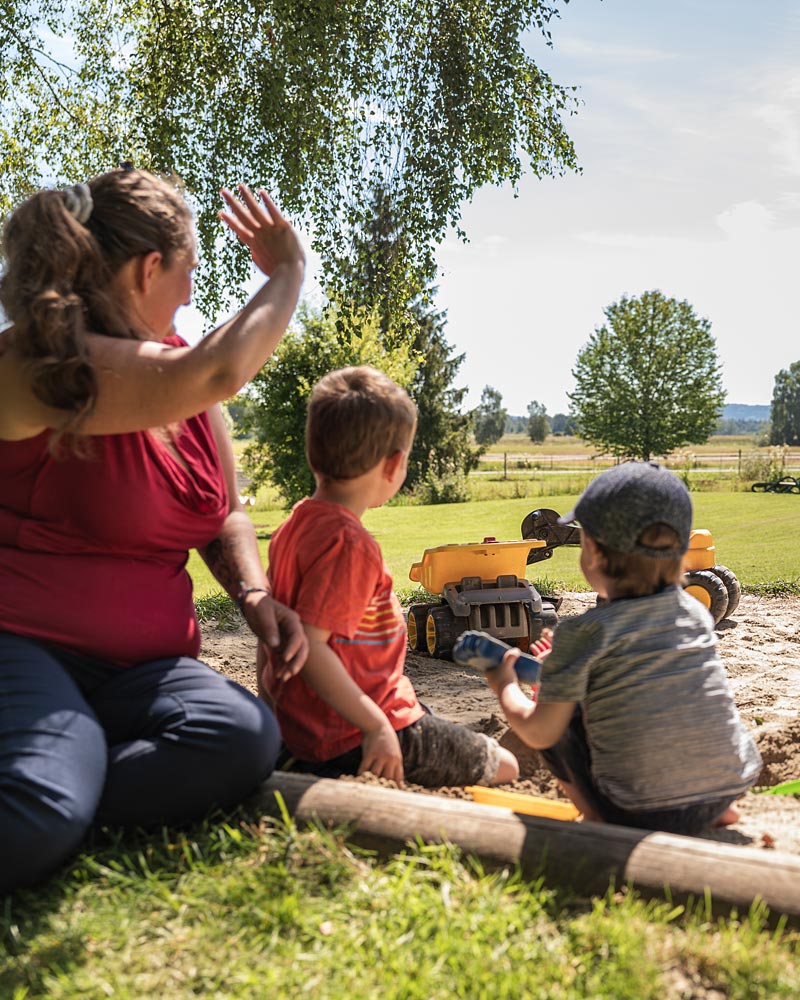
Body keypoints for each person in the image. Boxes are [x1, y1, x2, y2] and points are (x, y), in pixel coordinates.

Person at [0, 167, 310, 893]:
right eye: (189, 271)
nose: (193, 294)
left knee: (241, 737)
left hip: (139, 674)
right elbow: (222, 369)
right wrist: (289, 269)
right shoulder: (32, 366)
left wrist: (255, 594)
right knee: (42, 809)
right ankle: (49, 802)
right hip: (21, 648)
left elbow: (223, 509)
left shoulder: (177, 373)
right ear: (149, 270)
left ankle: (62, 790)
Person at [258, 366, 519, 788]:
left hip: (307, 727)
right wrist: (375, 727)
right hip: (357, 729)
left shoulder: (294, 527)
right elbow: (310, 644)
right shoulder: (349, 544)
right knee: (506, 766)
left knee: (434, 723)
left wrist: (269, 701)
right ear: (394, 465)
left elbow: (273, 629)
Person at [485, 461, 762, 835]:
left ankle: (595, 817)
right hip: (727, 787)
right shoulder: (695, 615)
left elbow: (539, 733)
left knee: (561, 722)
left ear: (595, 554)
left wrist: (504, 684)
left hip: (636, 810)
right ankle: (712, 810)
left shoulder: (583, 633)